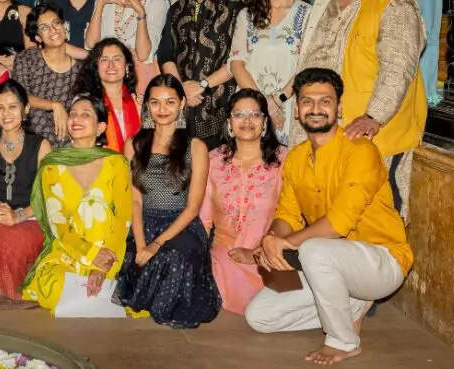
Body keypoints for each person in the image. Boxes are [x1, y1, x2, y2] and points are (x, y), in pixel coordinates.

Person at [248, 68, 412, 366]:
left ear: (340, 108)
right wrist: (272, 238)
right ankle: (351, 305)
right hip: (333, 263)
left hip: (382, 261)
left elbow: (338, 224)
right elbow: (287, 214)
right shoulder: (296, 157)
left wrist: (285, 244)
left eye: (325, 101)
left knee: (313, 248)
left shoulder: (361, 151)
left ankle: (343, 340)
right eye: (307, 101)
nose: (316, 108)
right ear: (296, 110)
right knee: (260, 316)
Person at [295, 0, 426, 217]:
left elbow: (398, 68)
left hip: (377, 142)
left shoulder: (394, 4)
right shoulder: (323, 5)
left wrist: (373, 116)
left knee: (378, 235)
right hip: (329, 145)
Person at [114, 74, 221, 328]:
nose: (162, 109)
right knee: (138, 258)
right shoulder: (134, 144)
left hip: (182, 225)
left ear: (182, 103)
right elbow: (136, 201)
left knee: (172, 257)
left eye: (170, 102)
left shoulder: (195, 147)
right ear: (147, 105)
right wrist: (142, 243)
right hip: (144, 223)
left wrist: (156, 245)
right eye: (155, 102)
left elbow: (193, 207)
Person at [22, 93, 133, 315]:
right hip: (69, 250)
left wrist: (102, 263)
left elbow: (123, 217)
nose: (76, 119)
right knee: (54, 285)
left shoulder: (116, 163)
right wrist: (91, 254)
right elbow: (58, 223)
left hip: (111, 249)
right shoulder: (52, 166)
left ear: (100, 127)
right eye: (72, 114)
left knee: (118, 289)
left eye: (85, 114)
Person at [197, 88, 284, 315]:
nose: (247, 121)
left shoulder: (284, 160)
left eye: (255, 115)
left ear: (265, 122)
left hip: (271, 257)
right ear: (229, 122)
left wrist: (257, 253)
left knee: (278, 310)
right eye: (239, 114)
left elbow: (292, 216)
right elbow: (204, 220)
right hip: (226, 258)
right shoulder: (213, 160)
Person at [0, 80, 51, 309]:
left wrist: (19, 216)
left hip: (31, 218)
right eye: (0, 107)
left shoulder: (41, 146)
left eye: (13, 107)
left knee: (11, 234)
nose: (6, 114)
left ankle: (12, 290)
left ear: (25, 110)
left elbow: (46, 197)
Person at [157, 0, 243, 145]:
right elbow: (165, 54)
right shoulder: (177, 8)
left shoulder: (235, 7)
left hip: (219, 101)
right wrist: (181, 89)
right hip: (182, 102)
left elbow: (238, 59)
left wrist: (202, 86)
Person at [229, 0, 311, 144]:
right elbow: (236, 64)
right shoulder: (246, 15)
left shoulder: (308, 13)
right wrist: (264, 103)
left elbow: (307, 65)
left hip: (291, 105)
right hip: (251, 108)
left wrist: (278, 100)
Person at [87, 0, 169, 92]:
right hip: (104, 71)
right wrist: (100, 5)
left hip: (138, 75)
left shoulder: (157, 3)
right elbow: (91, 45)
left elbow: (143, 54)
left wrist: (140, 12)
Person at [12, 3, 81, 147]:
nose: (53, 30)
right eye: (45, 28)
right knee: (34, 112)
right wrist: (55, 105)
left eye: (56, 23)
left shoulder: (80, 70)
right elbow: (19, 95)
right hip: (31, 137)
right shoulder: (26, 58)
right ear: (38, 37)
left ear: (64, 27)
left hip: (67, 139)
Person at [75, 38, 141, 152]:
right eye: (104, 59)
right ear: (96, 67)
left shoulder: (138, 102)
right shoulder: (84, 102)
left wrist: (143, 117)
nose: (111, 65)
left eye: (117, 59)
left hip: (137, 167)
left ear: (127, 66)